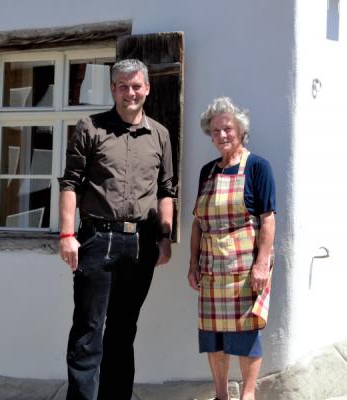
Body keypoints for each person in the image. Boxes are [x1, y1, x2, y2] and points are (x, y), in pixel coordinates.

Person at [58, 59, 176, 400]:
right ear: (113, 89)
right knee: (88, 331)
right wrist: (67, 235)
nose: (130, 92)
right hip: (97, 240)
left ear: (147, 89)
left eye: (136, 85)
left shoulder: (160, 135)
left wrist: (164, 238)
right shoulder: (90, 128)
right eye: (123, 86)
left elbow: (167, 189)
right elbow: (70, 183)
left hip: (141, 243)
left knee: (123, 333)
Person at [188, 97, 276, 400]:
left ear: (240, 130)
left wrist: (262, 264)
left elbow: (268, 220)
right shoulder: (207, 172)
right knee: (214, 336)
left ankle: (247, 395)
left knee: (246, 333)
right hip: (212, 268)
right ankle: (221, 395)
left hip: (244, 266)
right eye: (215, 131)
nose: (221, 136)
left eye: (227, 129)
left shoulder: (257, 167)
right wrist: (193, 263)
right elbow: (198, 222)